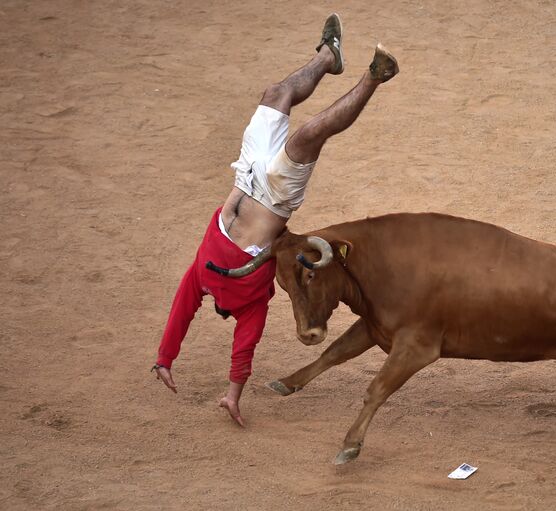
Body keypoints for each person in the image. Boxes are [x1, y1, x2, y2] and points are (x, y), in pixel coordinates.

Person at [151, 13, 399, 426]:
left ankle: (327, 57)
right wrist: (233, 395)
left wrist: (164, 358)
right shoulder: (251, 305)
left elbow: (180, 311)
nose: (211, 302)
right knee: (308, 136)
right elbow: (243, 350)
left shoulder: (201, 277)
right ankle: (376, 76)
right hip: (275, 196)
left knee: (277, 92)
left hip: (246, 175)